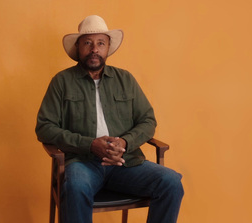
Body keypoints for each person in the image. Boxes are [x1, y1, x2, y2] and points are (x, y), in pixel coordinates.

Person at [36, 15, 184, 223]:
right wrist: (90, 145)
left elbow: (147, 120)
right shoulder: (62, 82)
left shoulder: (125, 79)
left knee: (171, 182)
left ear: (107, 48)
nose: (94, 49)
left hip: (125, 162)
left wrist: (124, 143)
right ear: (78, 47)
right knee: (75, 187)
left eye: (100, 43)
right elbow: (45, 127)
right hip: (82, 163)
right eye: (88, 42)